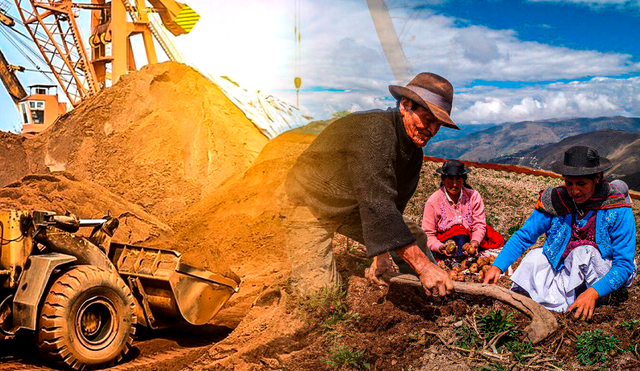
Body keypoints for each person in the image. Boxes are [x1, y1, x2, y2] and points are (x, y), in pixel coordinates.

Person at [282, 72, 458, 298]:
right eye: (428, 119)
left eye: (438, 125)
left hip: (354, 205)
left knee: (415, 235)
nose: (433, 130)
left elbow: (392, 207)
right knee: (320, 296)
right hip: (309, 204)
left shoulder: (413, 154)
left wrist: (381, 253)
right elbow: (378, 206)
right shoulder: (374, 132)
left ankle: (427, 293)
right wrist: (422, 265)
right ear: (405, 105)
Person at [483, 146, 636, 321]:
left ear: (597, 178)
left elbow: (624, 265)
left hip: (604, 273)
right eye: (569, 183)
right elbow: (524, 236)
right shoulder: (556, 202)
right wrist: (497, 266)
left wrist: (594, 293)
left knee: (584, 252)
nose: (574, 191)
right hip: (566, 268)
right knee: (535, 257)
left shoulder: (616, 208)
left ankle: (599, 301)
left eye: (581, 184)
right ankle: (561, 301)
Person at [422, 160, 503, 261]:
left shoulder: (473, 196)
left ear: (464, 180)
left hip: (469, 240)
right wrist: (440, 247)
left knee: (492, 237)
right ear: (443, 180)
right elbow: (428, 234)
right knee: (458, 231)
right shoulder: (433, 202)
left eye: (458, 179)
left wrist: (475, 242)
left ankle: (465, 255)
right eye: (450, 179)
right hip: (445, 242)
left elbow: (479, 225)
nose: (455, 184)